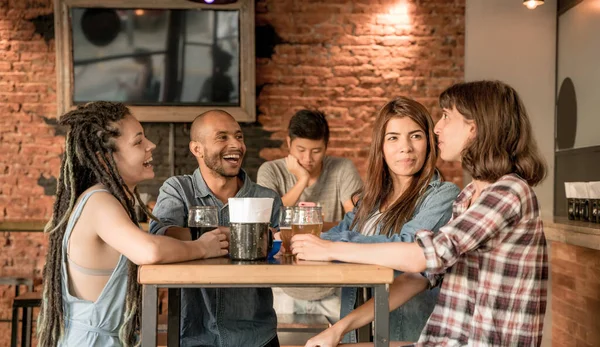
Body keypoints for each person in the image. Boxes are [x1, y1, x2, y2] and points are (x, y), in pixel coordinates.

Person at [295, 80, 548, 347]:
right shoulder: (468, 196)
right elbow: (419, 278)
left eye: (446, 117)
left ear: (474, 128)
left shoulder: (509, 192)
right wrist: (338, 329)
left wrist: (330, 249)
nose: (436, 127)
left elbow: (422, 255)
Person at [36, 102, 228, 347]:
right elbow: (150, 250)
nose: (151, 145)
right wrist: (203, 247)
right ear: (104, 158)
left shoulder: (105, 200)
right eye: (138, 142)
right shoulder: (99, 202)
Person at [305, 97, 459, 342]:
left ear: (430, 144)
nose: (405, 147)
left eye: (416, 136)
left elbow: (407, 246)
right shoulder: (371, 197)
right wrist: (305, 241)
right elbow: (338, 233)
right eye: (393, 137)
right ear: (381, 147)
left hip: (404, 332)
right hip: (355, 330)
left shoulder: (443, 195)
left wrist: (331, 247)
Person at [149, 110, 283, 347]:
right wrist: (244, 236)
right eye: (222, 137)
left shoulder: (266, 197)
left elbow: (284, 250)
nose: (236, 145)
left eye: (239, 137)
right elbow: (161, 234)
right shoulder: (179, 189)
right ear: (197, 149)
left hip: (257, 336)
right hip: (192, 335)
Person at [257, 109, 363, 323]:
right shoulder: (270, 171)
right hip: (280, 287)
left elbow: (358, 221)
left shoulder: (342, 169)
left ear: (326, 146)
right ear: (289, 143)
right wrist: (302, 181)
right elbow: (265, 223)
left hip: (334, 285)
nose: (307, 158)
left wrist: (303, 230)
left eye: (316, 151)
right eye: (301, 150)